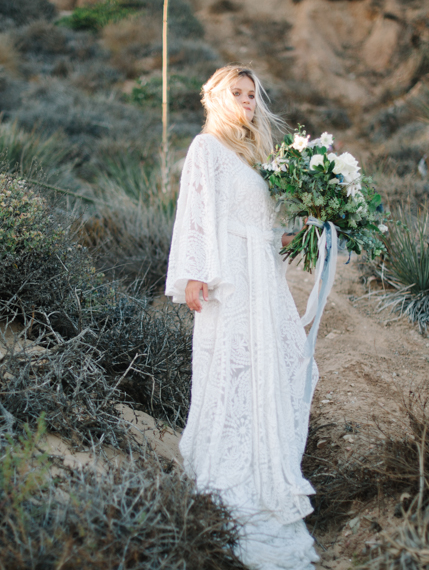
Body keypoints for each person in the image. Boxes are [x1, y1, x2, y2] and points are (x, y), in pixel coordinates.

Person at [165, 65, 319, 569]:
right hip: (229, 277)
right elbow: (194, 212)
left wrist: (309, 223)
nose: (248, 101)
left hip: (264, 278)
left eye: (253, 94)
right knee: (233, 364)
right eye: (238, 92)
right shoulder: (205, 148)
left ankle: (267, 462)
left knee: (284, 360)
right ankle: (230, 473)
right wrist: (193, 273)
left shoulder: (254, 157)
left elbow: (265, 226)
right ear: (215, 96)